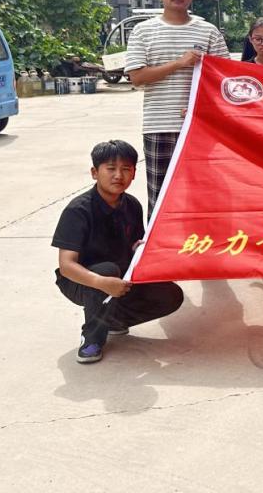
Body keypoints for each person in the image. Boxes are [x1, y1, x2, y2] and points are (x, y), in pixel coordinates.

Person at [52, 140, 184, 364]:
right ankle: (91, 338)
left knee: (170, 295)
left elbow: (133, 247)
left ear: (134, 173)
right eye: (111, 168)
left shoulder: (132, 205)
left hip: (120, 276)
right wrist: (101, 282)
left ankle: (111, 321)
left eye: (126, 169)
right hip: (81, 280)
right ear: (95, 173)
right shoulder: (78, 210)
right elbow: (66, 266)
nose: (118, 175)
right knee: (107, 270)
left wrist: (143, 252)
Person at [125, 0, 229, 210]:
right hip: (159, 125)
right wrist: (179, 63)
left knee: (202, 194)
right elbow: (137, 77)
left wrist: (201, 109)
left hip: (201, 126)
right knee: (161, 197)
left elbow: (225, 81)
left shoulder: (208, 31)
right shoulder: (143, 31)